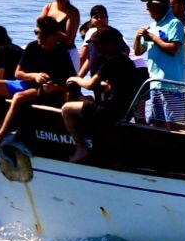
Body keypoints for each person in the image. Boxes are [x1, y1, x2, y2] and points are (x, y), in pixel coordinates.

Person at [0, 15, 72, 150]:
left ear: (53, 35)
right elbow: (18, 73)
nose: (39, 38)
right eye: (37, 33)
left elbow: (71, 83)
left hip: (43, 90)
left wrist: (54, 88)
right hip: (24, 83)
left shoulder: (61, 53)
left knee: (18, 97)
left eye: (42, 34)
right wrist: (34, 75)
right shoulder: (32, 47)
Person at [61, 20, 143, 163]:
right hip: (125, 109)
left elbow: (90, 85)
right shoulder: (125, 60)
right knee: (88, 101)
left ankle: (81, 148)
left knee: (67, 109)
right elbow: (116, 86)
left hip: (112, 111)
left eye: (99, 44)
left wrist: (75, 79)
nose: (96, 47)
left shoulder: (110, 62)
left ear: (110, 44)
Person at [130, 0, 185, 126]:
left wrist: (153, 38)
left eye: (149, 5)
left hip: (172, 85)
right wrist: (138, 37)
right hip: (155, 83)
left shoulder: (174, 23)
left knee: (174, 124)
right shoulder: (153, 26)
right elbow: (138, 52)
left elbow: (173, 49)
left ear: (158, 6)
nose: (147, 8)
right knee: (156, 123)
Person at [43, 0, 82, 70]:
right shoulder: (48, 8)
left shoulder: (73, 12)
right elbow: (39, 30)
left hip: (68, 53)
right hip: (50, 52)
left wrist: (49, 30)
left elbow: (68, 40)